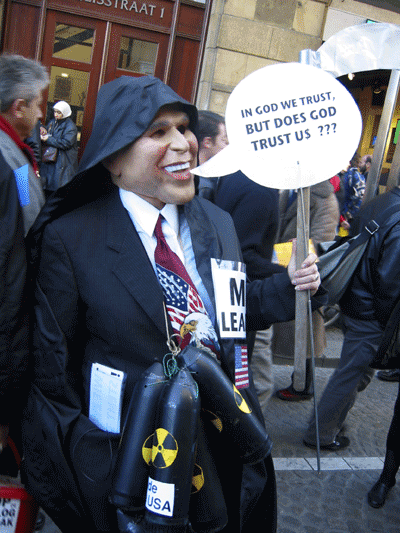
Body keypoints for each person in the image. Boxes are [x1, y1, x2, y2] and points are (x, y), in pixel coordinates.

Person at [21, 75, 324, 533]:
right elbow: (52, 373)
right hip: (131, 461)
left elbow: (229, 314)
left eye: (184, 128)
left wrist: (290, 286)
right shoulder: (73, 238)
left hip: (223, 442)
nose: (183, 143)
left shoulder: (218, 224)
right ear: (114, 160)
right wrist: (92, 463)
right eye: (158, 132)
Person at [196, 111, 285, 410]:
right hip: (243, 299)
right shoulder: (259, 187)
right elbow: (243, 254)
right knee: (251, 384)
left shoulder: (237, 175)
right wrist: (284, 273)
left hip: (234, 297)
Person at [304, 184, 400, 451]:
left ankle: (332, 420)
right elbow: (389, 284)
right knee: (351, 374)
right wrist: (385, 323)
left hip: (354, 298)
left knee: (356, 373)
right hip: (370, 312)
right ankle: (321, 433)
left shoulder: (381, 201)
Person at [0, 54, 48, 465]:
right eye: (38, 103)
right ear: (18, 107)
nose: (41, 112)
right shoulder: (5, 158)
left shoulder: (14, 152)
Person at [273, 181, 339, 401]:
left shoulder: (324, 199)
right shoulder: (291, 190)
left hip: (306, 277)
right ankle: (300, 382)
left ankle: (303, 385)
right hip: (284, 271)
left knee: (308, 332)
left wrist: (284, 255)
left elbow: (322, 242)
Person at [40, 100, 78, 196]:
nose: (56, 114)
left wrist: (48, 139)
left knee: (57, 191)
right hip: (52, 160)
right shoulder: (53, 122)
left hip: (62, 162)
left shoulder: (71, 127)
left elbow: (66, 143)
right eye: (55, 111)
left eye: (59, 112)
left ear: (65, 113)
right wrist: (44, 131)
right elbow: (50, 133)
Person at [339, 153, 365, 231]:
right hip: (349, 215)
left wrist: (346, 213)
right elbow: (360, 196)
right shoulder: (359, 176)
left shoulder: (347, 175)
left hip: (342, 214)